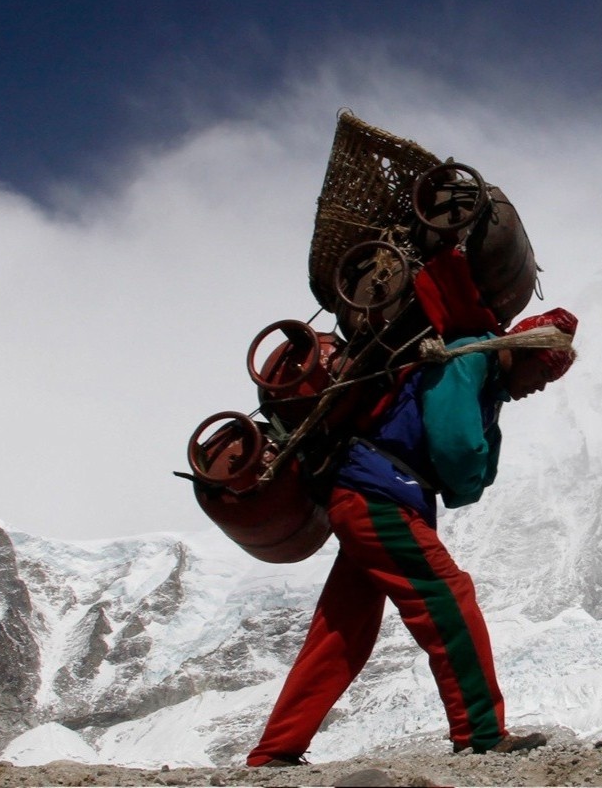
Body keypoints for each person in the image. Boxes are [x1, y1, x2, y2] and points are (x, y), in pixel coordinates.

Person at [246, 307, 579, 767]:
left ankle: (275, 751)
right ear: (523, 352)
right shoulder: (469, 361)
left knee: (343, 630)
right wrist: (467, 480)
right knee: (448, 598)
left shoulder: (483, 378)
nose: (540, 386)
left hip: (367, 494)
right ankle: (480, 733)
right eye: (543, 372)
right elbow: (457, 446)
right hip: (381, 497)